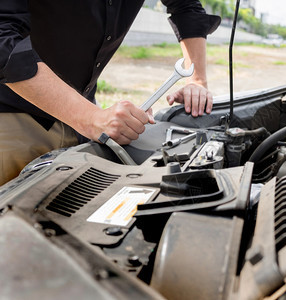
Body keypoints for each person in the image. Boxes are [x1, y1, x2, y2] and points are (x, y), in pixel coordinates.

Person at [0, 0, 221, 185]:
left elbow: (186, 6)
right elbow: (3, 39)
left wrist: (197, 80)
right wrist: (91, 118)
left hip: (82, 114)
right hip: (11, 115)